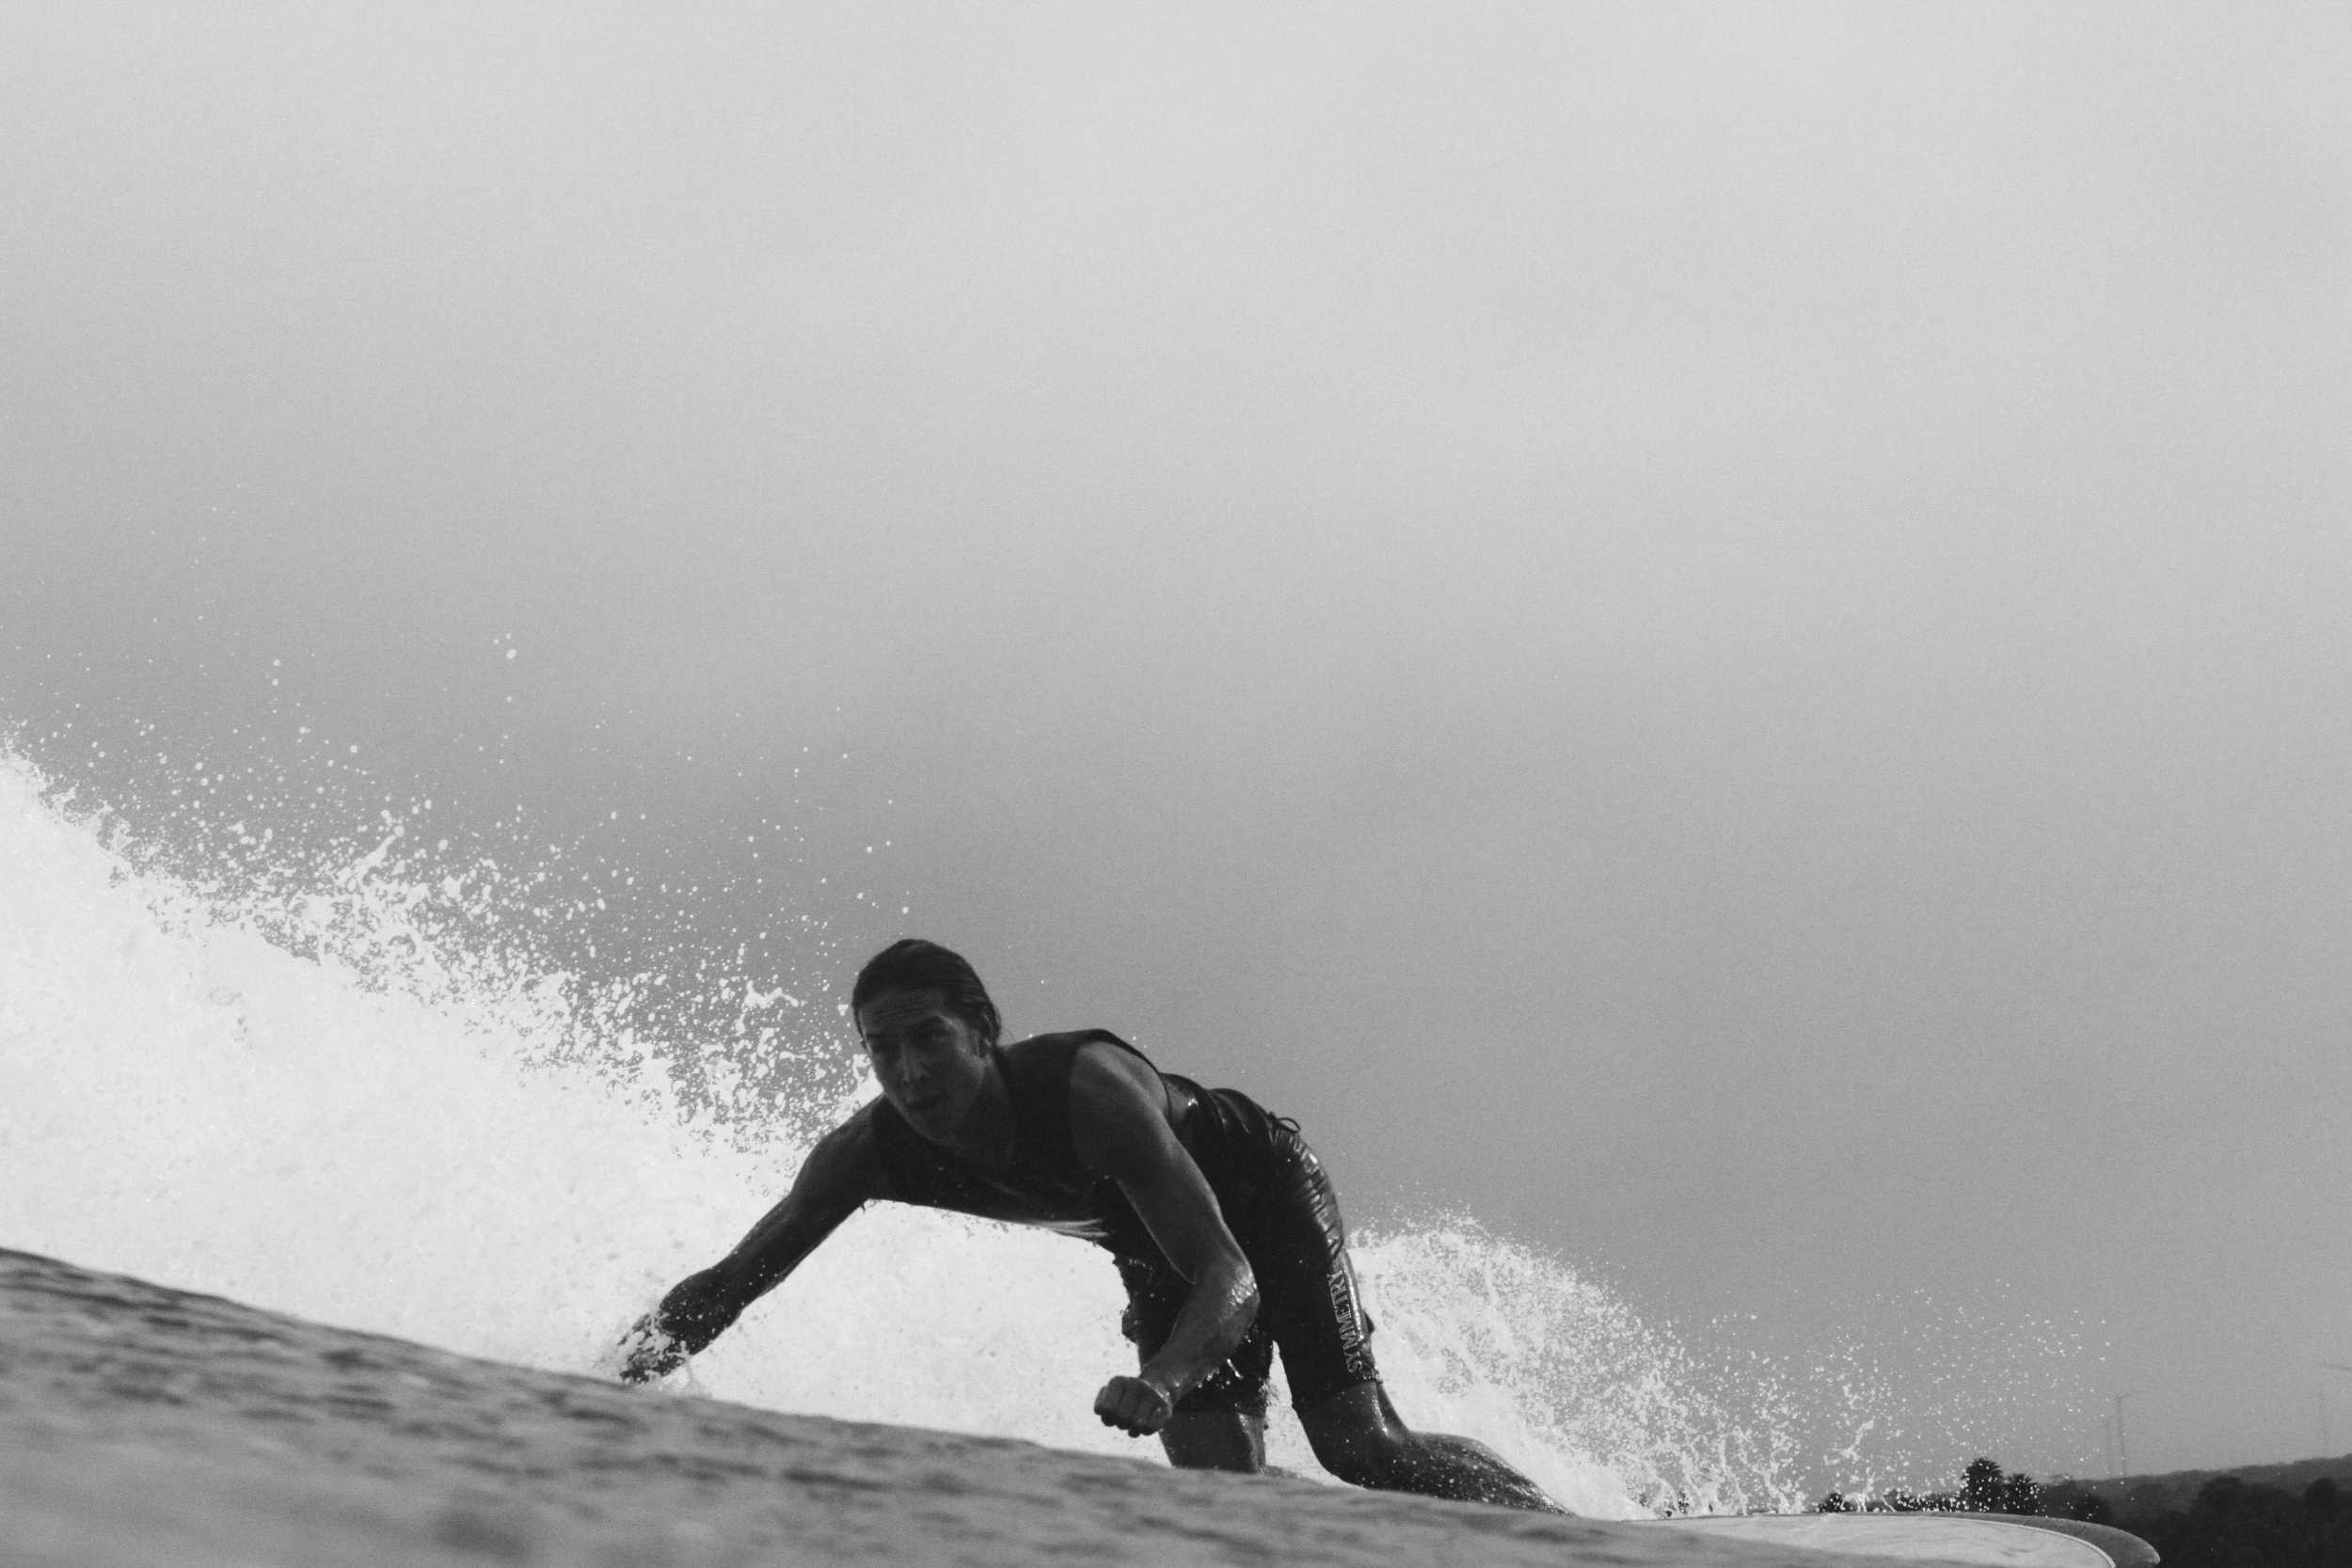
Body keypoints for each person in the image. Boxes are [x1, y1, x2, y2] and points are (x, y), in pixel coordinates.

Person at [617, 938, 1563, 1512]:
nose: (907, 1072)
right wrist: (618, 1374)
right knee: (1217, 1492)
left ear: (982, 1027)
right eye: (882, 1048)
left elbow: (1229, 1273)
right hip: (1152, 1246)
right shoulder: (869, 1151)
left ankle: (1566, 1531)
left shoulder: (1089, 1090)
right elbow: (732, 1278)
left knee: (1358, 1444)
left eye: (928, 1037)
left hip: (1257, 1190)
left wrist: (1158, 1375)